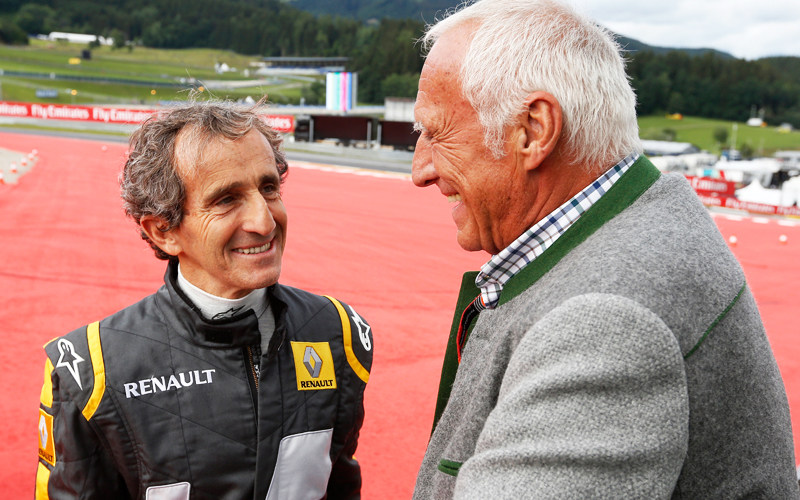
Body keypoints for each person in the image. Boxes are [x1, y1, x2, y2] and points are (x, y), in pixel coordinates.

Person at [410, 0, 798, 498]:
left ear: (533, 130)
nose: (420, 170)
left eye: (436, 133)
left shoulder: (606, 322)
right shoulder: (645, 226)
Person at [35, 101, 373, 499]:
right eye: (226, 200)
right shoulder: (90, 372)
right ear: (164, 231)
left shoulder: (339, 332)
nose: (264, 221)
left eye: (269, 188)